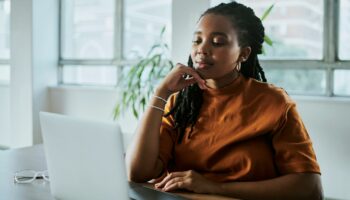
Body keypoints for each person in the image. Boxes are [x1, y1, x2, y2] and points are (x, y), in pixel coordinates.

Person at [126, 2, 323, 200]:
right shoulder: (181, 102)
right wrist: (161, 93)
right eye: (197, 40)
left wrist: (214, 187)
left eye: (218, 42)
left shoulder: (274, 102)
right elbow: (138, 173)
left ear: (243, 54)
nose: (201, 49)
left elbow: (309, 187)